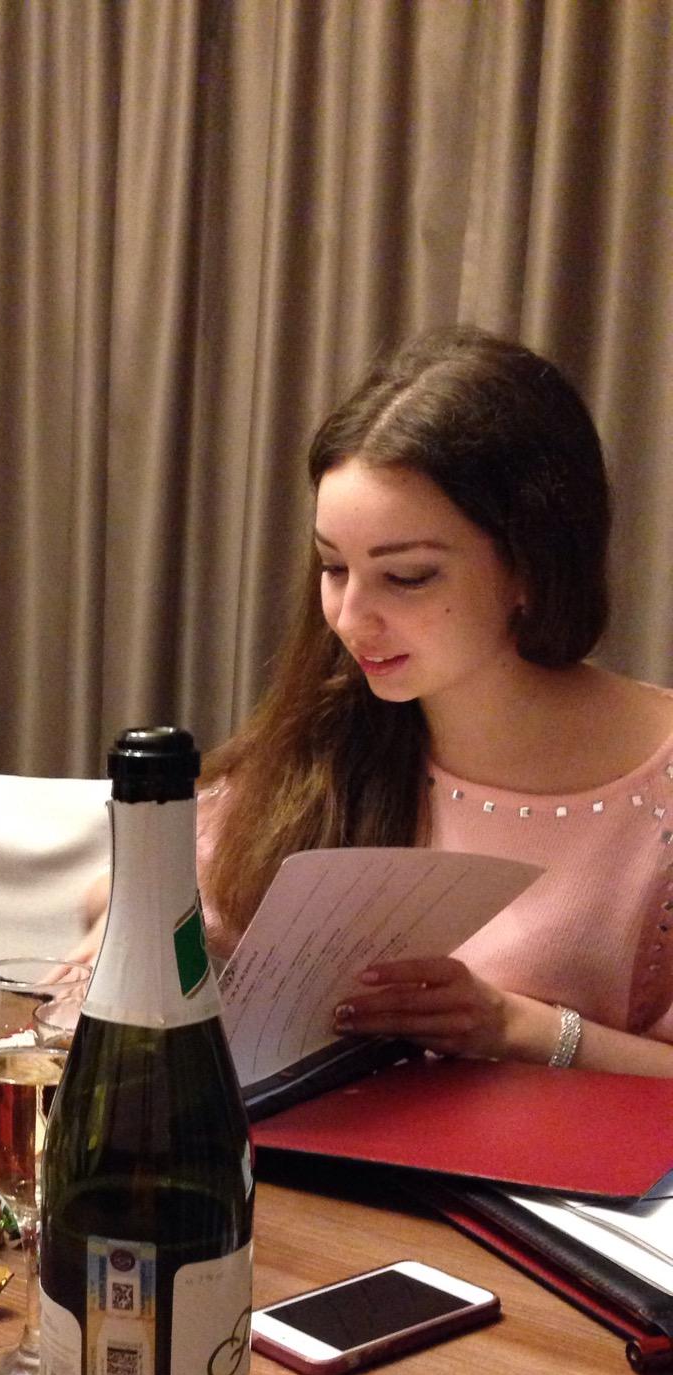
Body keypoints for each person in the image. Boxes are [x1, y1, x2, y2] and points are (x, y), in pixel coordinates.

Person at [72, 326, 673, 1075]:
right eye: (333, 568)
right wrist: (126, 927)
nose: (351, 620)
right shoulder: (343, 729)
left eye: (407, 577)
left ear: (532, 564)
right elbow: (136, 893)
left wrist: (518, 1027)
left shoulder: (658, 784)